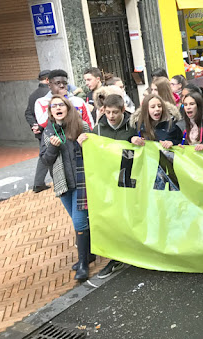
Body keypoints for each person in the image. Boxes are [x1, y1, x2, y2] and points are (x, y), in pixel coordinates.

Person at [80, 93, 136, 278]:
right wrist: (84, 142)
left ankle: (135, 249)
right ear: (103, 110)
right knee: (113, 218)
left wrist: (138, 140)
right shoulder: (98, 130)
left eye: (115, 112)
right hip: (108, 183)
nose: (111, 116)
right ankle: (116, 257)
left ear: (122, 110)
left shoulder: (134, 126)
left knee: (132, 215)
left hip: (130, 181)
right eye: (108, 112)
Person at [40, 96, 92, 281]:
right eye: (54, 106)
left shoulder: (81, 126)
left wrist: (84, 144)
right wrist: (53, 148)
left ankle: (83, 265)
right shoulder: (48, 132)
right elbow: (45, 160)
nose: (58, 108)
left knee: (79, 223)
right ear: (50, 111)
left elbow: (96, 151)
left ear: (67, 107)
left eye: (61, 104)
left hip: (81, 182)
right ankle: (90, 253)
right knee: (80, 221)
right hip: (63, 184)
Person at [25, 70, 52, 193]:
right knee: (48, 155)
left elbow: (28, 113)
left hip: (40, 131)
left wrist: (35, 126)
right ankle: (40, 183)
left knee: (45, 155)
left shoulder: (33, 95)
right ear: (47, 80)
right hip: (50, 130)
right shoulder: (49, 94)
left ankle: (39, 183)